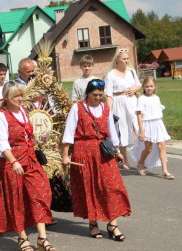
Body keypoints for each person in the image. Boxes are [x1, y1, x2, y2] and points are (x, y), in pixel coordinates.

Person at [62, 79, 131, 241]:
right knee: (89, 188)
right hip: (83, 151)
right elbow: (69, 132)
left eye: (100, 95)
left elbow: (111, 132)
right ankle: (93, 223)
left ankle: (112, 223)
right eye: (95, 95)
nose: (98, 98)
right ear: (87, 94)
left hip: (103, 152)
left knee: (112, 186)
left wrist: (117, 151)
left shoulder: (105, 108)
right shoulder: (77, 108)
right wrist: (66, 155)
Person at [0, 80, 56, 251]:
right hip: (12, 162)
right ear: (6, 97)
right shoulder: (0, 116)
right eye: (16, 96)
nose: (21, 99)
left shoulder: (23, 110)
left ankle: (42, 238)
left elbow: (28, 135)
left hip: (30, 159)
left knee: (41, 193)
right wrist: (13, 161)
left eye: (21, 95)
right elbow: (2, 143)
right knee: (17, 200)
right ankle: (22, 238)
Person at [130, 76, 174, 179]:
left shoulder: (156, 98)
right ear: (144, 87)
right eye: (147, 86)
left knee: (162, 147)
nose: (149, 88)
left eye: (151, 86)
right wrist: (141, 131)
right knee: (148, 149)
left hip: (158, 124)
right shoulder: (141, 99)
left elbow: (158, 112)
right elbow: (139, 115)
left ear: (154, 87)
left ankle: (165, 171)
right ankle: (141, 163)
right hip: (147, 125)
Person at [104, 51, 141, 170]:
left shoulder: (131, 71)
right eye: (124, 58)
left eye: (127, 58)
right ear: (117, 60)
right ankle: (125, 159)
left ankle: (141, 158)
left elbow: (139, 85)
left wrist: (134, 89)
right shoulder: (111, 75)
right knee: (123, 130)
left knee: (138, 127)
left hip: (132, 101)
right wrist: (108, 111)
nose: (126, 60)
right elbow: (109, 94)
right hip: (119, 102)